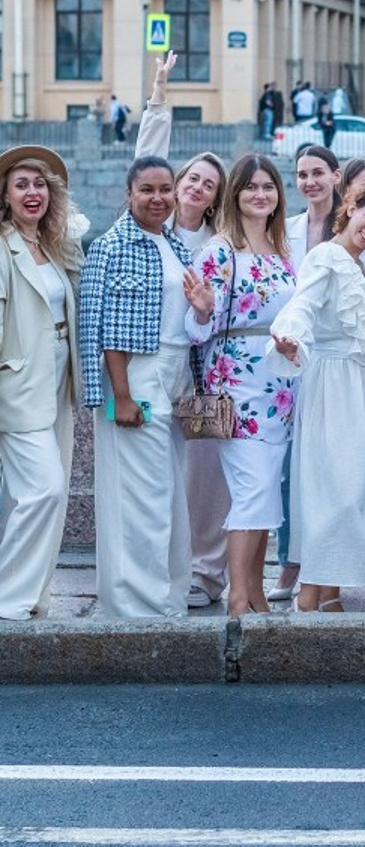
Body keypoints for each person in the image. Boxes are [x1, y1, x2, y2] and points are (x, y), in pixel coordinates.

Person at [265, 186, 365, 613]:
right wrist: (289, 338)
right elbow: (302, 305)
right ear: (351, 208)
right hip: (331, 381)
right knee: (331, 489)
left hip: (360, 386)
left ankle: (330, 591)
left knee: (354, 487)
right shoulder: (325, 256)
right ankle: (310, 593)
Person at [79, 157, 204, 617]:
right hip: (135, 378)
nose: (158, 198)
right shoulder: (112, 246)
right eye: (147, 190)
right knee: (141, 497)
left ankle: (169, 596)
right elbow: (102, 327)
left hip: (174, 376)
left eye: (165, 189)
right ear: (129, 194)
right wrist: (122, 396)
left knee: (168, 495)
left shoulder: (174, 244)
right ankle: (137, 606)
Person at [134, 51, 231, 610]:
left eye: (207, 184)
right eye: (191, 177)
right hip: (151, 364)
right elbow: (146, 157)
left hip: (202, 373)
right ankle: (156, 569)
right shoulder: (153, 228)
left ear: (217, 196)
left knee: (205, 475)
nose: (196, 187)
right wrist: (159, 94)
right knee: (153, 473)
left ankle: (207, 573)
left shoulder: (219, 244)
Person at [186, 156, 297, 618]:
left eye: (267, 187)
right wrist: (202, 309)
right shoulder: (220, 251)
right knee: (253, 488)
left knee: (267, 488)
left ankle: (255, 592)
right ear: (235, 194)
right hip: (237, 383)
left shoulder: (283, 251)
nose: (260, 195)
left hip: (280, 385)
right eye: (250, 187)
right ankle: (236, 598)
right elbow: (195, 329)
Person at [0, 147, 83, 621]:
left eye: (39, 184)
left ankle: (35, 596)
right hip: (18, 383)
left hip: (58, 378)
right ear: (6, 196)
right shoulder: (2, 246)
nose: (32, 193)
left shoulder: (53, 245)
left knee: (46, 492)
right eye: (21, 185)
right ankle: (9, 597)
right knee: (44, 490)